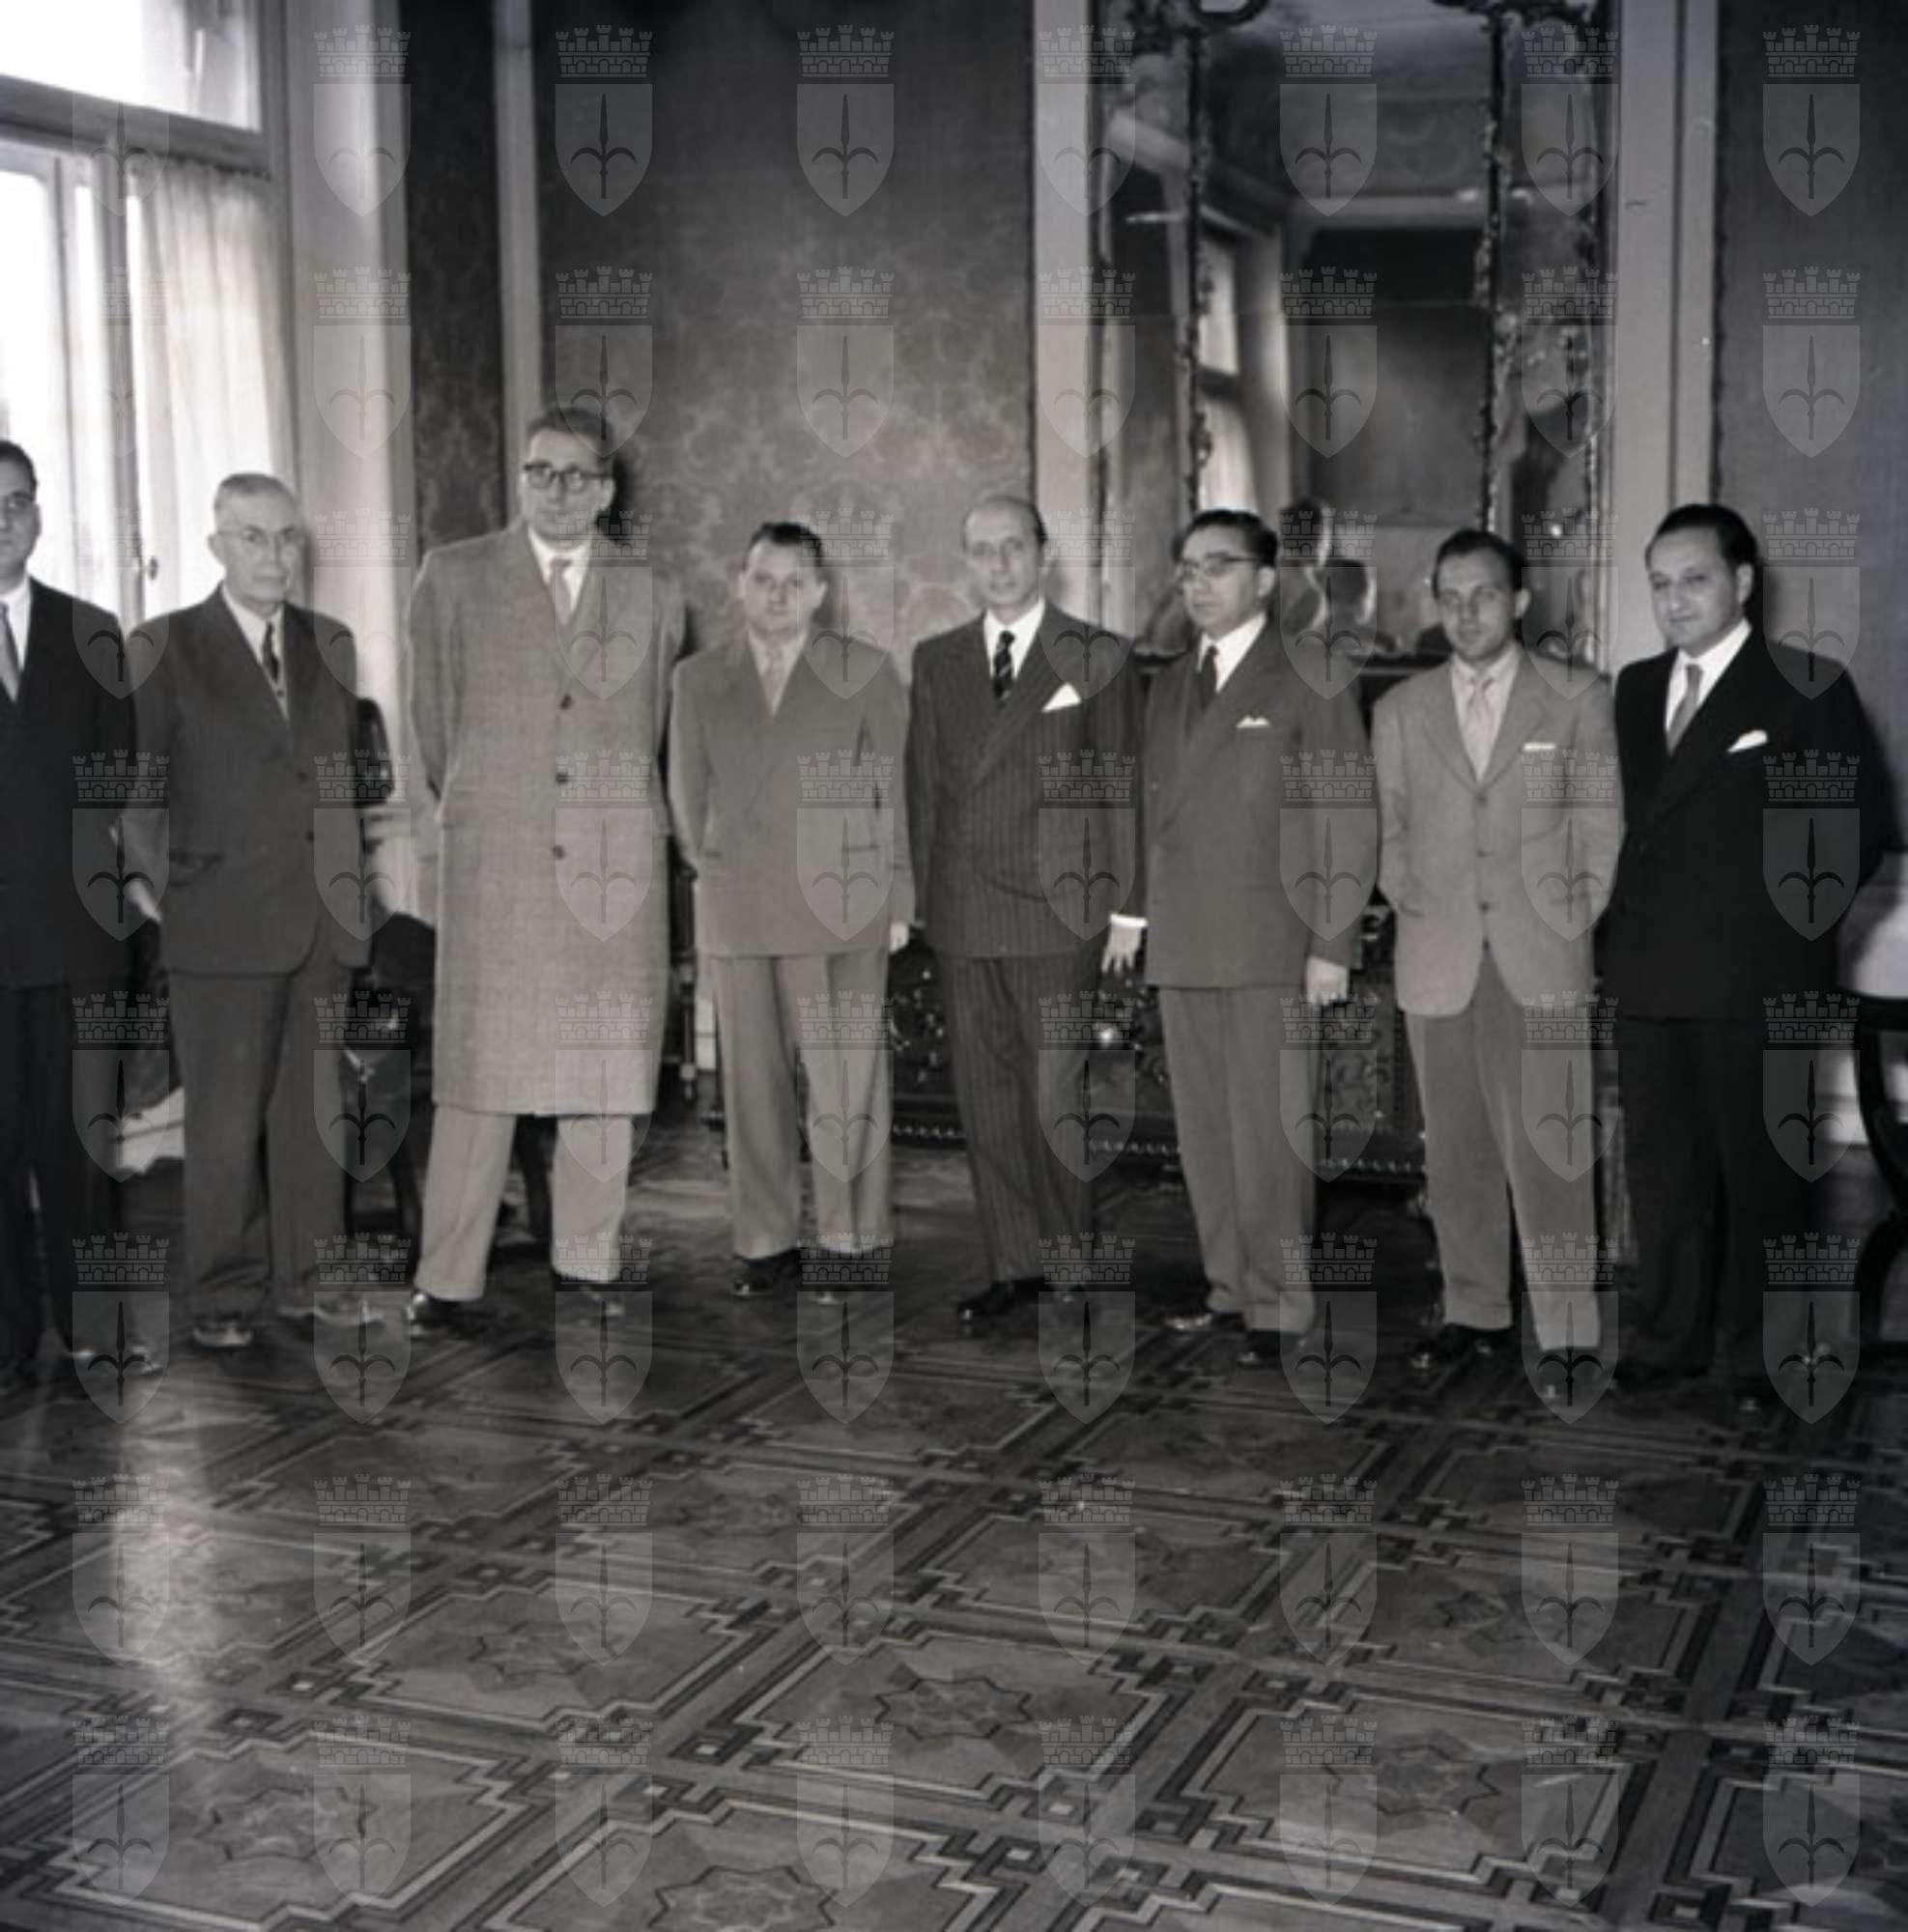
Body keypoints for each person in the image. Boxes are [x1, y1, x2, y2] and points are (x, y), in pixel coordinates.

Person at [1601, 504, 1888, 1416]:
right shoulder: (1636, 688)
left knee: (1762, 1177)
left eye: (1693, 579)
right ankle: (1666, 1338)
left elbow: (1855, 829)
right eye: (1659, 583)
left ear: (1743, 583)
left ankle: (1762, 1358)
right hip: (1649, 975)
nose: (1673, 600)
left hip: (1756, 977)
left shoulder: (1803, 687)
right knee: (1663, 1172)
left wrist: (1782, 937)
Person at [405, 405, 685, 1333]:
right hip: (499, 862)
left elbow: (646, 731)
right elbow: (437, 729)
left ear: (605, 491)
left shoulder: (654, 593)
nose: (556, 491)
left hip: (611, 866)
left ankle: (587, 1261)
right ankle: (448, 1277)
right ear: (519, 479)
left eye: (576, 476)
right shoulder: (453, 576)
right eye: (539, 471)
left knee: (601, 1069)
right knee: (478, 1077)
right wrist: (498, 805)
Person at [1371, 529, 1620, 1396]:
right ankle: (1473, 1309)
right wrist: (1418, 899)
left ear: (1518, 601)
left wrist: (1567, 920)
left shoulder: (1576, 696)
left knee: (1552, 1151)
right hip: (1437, 956)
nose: (1465, 611)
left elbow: (1599, 825)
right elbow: (1386, 831)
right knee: (1455, 1153)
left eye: (1482, 594)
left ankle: (1567, 1327)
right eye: (1449, 596)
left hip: (1538, 956)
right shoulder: (1400, 709)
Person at [131, 473, 366, 1351]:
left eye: (287, 536)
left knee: (316, 1115)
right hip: (218, 927)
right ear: (216, 546)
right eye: (253, 536)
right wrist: (172, 894)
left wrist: (351, 900)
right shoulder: (164, 647)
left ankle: (313, 1281)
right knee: (225, 1126)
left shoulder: (330, 643)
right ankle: (223, 1297)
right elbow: (135, 796)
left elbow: (336, 785)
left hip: (319, 923)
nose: (275, 554)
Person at [904, 495, 1144, 1327]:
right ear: (965, 562)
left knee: (1054, 1096)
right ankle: (1014, 1263)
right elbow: (922, 790)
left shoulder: (1097, 654)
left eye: (1013, 547)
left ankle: (1072, 1263)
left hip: (1058, 911)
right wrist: (922, 902)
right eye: (982, 550)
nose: (999, 564)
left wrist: (1128, 910)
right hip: (963, 910)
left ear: (1044, 556)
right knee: (986, 1096)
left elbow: (1121, 785)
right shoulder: (935, 659)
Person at [1141, 509, 1374, 1365]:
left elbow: (1346, 815)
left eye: (1218, 566)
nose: (1196, 583)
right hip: (1184, 936)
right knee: (1204, 1134)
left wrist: (1331, 944)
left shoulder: (1310, 674)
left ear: (1267, 581)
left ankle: (1278, 1305)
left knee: (1271, 1134)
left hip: (1271, 940)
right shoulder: (1169, 682)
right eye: (1187, 568)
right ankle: (1228, 1289)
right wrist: (1136, 917)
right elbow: (1150, 814)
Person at [669, 522, 911, 1293]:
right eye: (763, 581)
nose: (776, 597)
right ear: (739, 584)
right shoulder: (697, 680)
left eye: (793, 583)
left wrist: (897, 897)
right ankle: (765, 1242)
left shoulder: (865, 670)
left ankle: (852, 1241)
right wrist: (718, 872)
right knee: (752, 1088)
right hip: (739, 908)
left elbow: (897, 792)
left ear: (819, 593)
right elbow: (685, 797)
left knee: (846, 1085)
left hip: (843, 908)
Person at [0, 440, 136, 1384]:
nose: (2, 519)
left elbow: (117, 776)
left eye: (16, 500)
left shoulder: (92, 633)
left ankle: (93, 1326)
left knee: (80, 1142)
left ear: (39, 515)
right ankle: (7, 1333)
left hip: (77, 936)